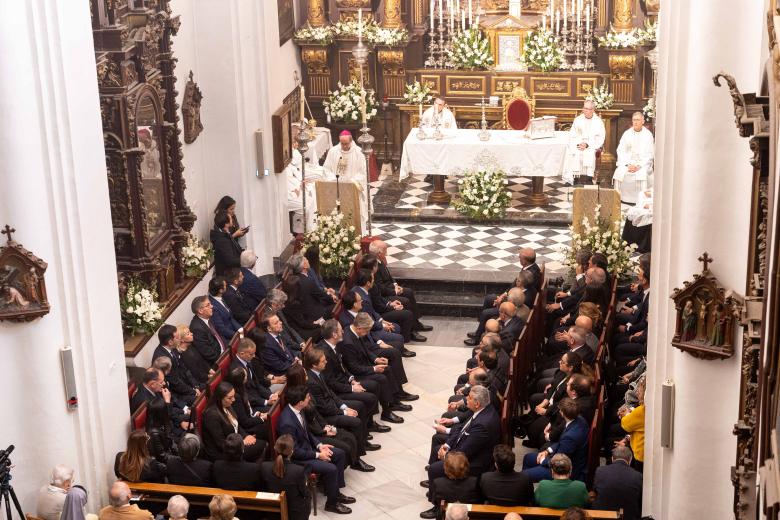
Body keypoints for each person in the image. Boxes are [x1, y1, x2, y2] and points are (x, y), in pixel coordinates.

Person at [276, 385, 354, 515]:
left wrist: (319, 445)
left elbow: (307, 433)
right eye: (307, 397)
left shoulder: (298, 409)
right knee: (331, 469)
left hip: (309, 449)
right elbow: (294, 451)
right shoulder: (287, 423)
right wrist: (318, 455)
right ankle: (331, 504)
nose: (309, 398)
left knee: (340, 454)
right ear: (300, 402)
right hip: (298, 459)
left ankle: (335, 493)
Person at [423, 385, 500, 488]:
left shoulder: (482, 426)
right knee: (438, 447)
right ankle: (436, 477)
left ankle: (436, 498)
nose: (466, 399)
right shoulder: (483, 409)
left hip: (474, 463)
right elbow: (461, 428)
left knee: (434, 469)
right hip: (466, 446)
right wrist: (447, 445)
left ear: (477, 403)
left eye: (469, 397)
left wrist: (446, 456)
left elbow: (466, 453)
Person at [466, 248, 539, 346]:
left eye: (520, 257)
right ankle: (482, 328)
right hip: (511, 298)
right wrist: (503, 295)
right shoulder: (527, 271)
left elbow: (517, 302)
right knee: (489, 299)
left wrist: (502, 302)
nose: (518, 258)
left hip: (514, 306)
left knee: (485, 313)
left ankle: (478, 338)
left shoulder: (530, 277)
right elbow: (513, 287)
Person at [368, 239, 432, 333]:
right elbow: (381, 289)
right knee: (405, 301)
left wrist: (395, 285)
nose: (387, 252)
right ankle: (411, 330)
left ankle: (416, 323)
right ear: (379, 253)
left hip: (390, 287)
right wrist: (394, 292)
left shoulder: (381, 259)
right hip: (385, 294)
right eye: (385, 249)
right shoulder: (373, 265)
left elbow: (389, 276)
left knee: (409, 292)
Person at [521, 398, 589, 483]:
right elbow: (562, 443)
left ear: (562, 413)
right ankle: (527, 488)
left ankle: (524, 484)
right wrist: (548, 451)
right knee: (528, 458)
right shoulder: (579, 419)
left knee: (524, 476)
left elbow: (559, 463)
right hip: (563, 456)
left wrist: (543, 460)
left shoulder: (570, 437)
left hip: (566, 470)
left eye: (560, 410)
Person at [201, 382, 266, 462]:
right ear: (220, 398)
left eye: (233, 396)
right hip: (225, 452)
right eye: (230, 398)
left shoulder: (226, 405)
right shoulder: (211, 416)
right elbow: (221, 443)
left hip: (235, 442)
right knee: (262, 445)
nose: (234, 400)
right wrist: (242, 442)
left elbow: (236, 425)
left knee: (261, 441)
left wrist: (246, 436)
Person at [323, 131, 368, 232]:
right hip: (337, 188)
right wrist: (334, 180)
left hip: (353, 189)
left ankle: (358, 233)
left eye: (346, 144)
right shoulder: (333, 151)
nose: (343, 146)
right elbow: (326, 169)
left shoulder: (359, 152)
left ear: (351, 141)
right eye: (342, 143)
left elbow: (363, 172)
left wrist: (351, 182)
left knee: (355, 213)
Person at [260, 434, 311, 520]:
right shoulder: (298, 470)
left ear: (275, 449)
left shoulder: (264, 466)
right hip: (294, 514)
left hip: (272, 512)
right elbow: (304, 493)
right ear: (292, 452)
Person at [152, 324, 201, 406]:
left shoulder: (172, 348)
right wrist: (192, 391)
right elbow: (174, 383)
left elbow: (184, 369)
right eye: (177, 337)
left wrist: (195, 386)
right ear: (170, 342)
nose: (180, 339)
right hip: (176, 394)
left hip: (184, 385)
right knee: (199, 399)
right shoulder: (161, 358)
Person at [422, 452, 480, 518]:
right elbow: (479, 499)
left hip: (447, 515)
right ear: (466, 466)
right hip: (470, 515)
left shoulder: (438, 483)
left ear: (446, 468)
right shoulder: (475, 482)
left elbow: (435, 501)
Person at [613, 112, 654, 204]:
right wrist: (628, 165)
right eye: (634, 120)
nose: (635, 122)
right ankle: (620, 198)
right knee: (619, 171)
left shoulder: (648, 135)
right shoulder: (626, 134)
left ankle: (641, 200)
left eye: (638, 120)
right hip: (628, 163)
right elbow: (620, 151)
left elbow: (650, 154)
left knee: (642, 172)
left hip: (642, 164)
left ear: (643, 121)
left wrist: (638, 166)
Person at [592, 445, 643, 520]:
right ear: (630, 459)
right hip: (628, 517)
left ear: (612, 459)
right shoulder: (638, 476)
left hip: (602, 516)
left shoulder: (600, 471)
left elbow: (595, 490)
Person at [285, 138, 325, 233]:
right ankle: (303, 232)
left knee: (312, 194)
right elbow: (290, 180)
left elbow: (295, 174)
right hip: (290, 193)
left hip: (296, 187)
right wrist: (299, 186)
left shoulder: (288, 160)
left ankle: (312, 230)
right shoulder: (283, 166)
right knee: (308, 204)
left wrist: (301, 182)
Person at [563, 99, 606, 185]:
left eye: (588, 109)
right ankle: (574, 177)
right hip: (578, 145)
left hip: (591, 146)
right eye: (584, 108)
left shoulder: (598, 122)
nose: (585, 111)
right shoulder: (578, 119)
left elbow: (601, 137)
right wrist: (578, 143)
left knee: (589, 153)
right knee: (571, 151)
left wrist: (587, 144)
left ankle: (589, 178)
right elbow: (572, 135)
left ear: (593, 110)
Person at [189, 295, 226, 365]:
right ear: (200, 310)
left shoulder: (208, 317)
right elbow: (209, 354)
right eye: (208, 305)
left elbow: (219, 335)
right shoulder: (197, 329)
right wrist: (225, 358)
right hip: (218, 360)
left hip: (224, 350)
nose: (212, 306)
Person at [619, 378, 646, 471]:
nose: (637, 392)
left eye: (640, 390)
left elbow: (625, 424)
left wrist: (626, 414)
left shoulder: (642, 410)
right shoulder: (642, 408)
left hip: (639, 454)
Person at [208, 276, 243, 343]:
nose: (227, 286)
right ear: (220, 290)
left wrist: (240, 329)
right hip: (229, 338)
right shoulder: (213, 307)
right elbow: (222, 329)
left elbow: (230, 317)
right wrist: (237, 335)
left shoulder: (220, 297)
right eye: (225, 285)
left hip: (234, 329)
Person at [211, 211, 243, 276]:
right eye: (231, 218)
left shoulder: (225, 233)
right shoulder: (222, 240)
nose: (232, 219)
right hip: (228, 275)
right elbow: (230, 261)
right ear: (226, 224)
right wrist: (244, 260)